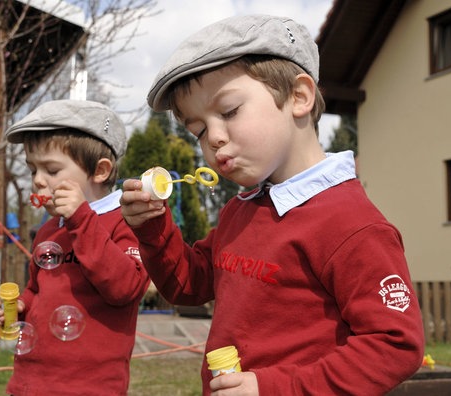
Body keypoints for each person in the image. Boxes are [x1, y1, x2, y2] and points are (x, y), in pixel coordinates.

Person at [120, 14, 425, 395]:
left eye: (229, 111)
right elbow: (189, 284)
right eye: (198, 130)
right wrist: (151, 227)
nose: (213, 138)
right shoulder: (243, 210)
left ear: (299, 96)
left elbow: (396, 344)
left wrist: (272, 388)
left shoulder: (351, 224)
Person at [0, 99, 150, 395]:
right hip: (31, 383)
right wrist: (20, 306)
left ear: (100, 171)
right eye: (32, 170)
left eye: (51, 170)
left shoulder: (126, 220)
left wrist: (81, 219)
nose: (38, 181)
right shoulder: (50, 229)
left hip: (88, 387)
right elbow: (39, 289)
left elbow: (125, 288)